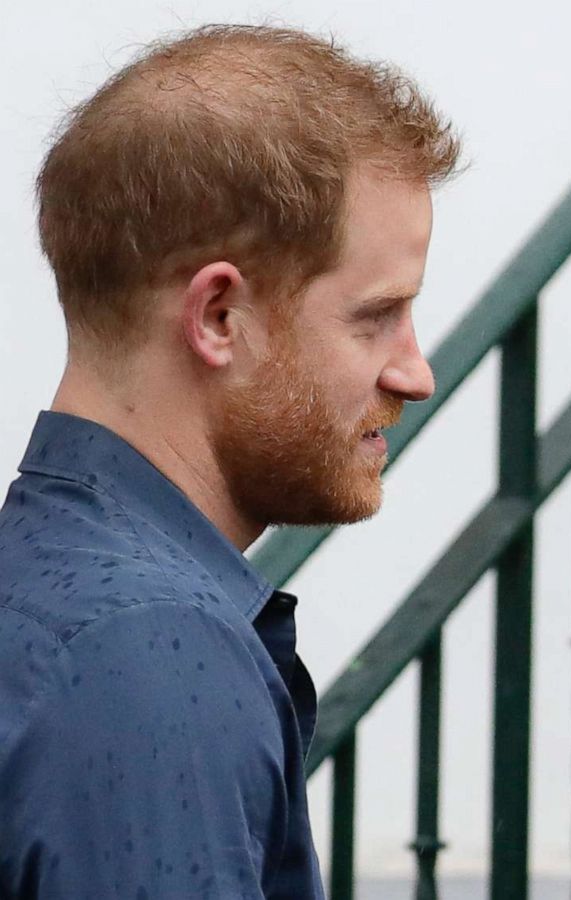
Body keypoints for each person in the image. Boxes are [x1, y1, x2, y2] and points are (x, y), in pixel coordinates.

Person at [0, 25, 459, 897]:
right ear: (217, 316)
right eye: (375, 316)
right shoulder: (147, 656)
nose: (415, 371)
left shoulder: (43, 591)